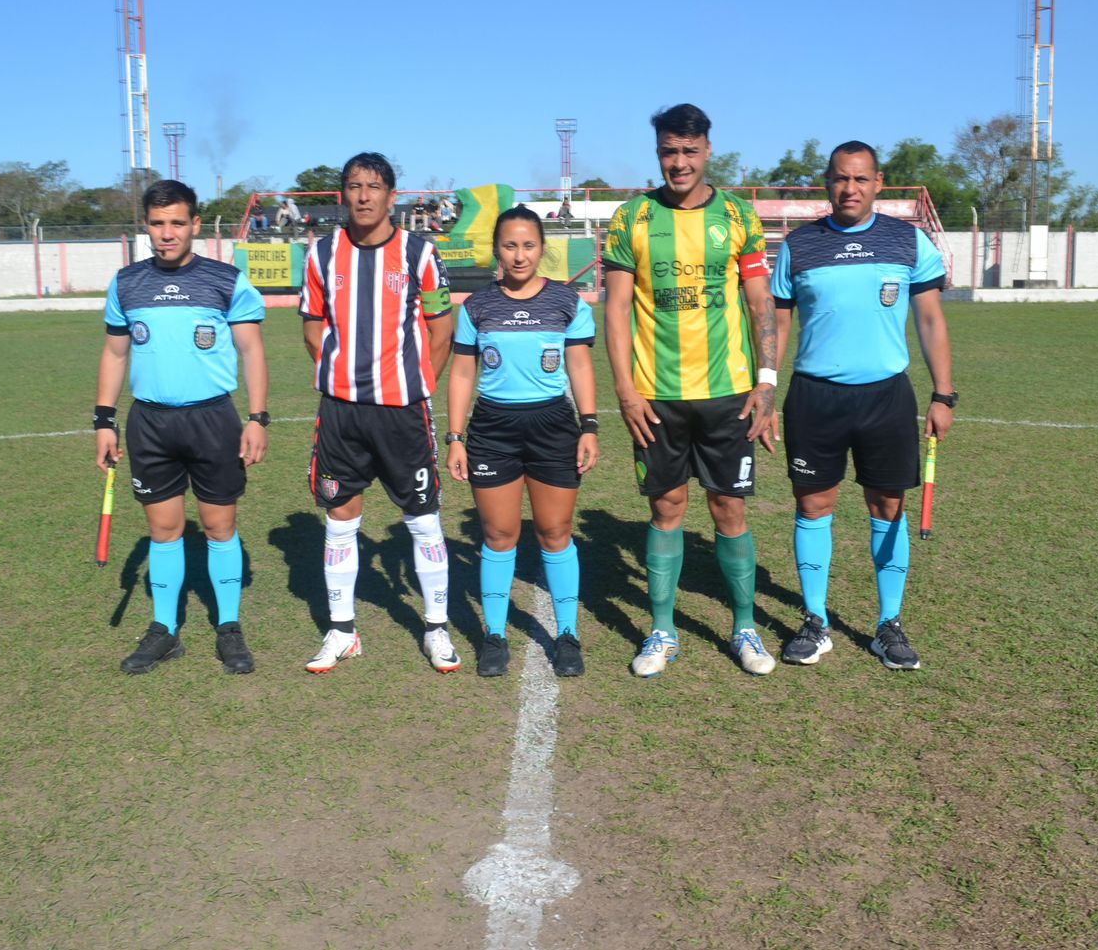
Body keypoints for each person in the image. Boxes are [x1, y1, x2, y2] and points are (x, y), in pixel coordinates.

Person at [604, 104, 780, 677]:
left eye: (688, 151)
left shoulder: (738, 215)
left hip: (729, 392)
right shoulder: (631, 217)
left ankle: (745, 627)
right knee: (667, 507)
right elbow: (616, 310)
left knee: (729, 507)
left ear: (708, 151)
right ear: (659, 154)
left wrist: (768, 381)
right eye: (668, 152)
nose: (678, 163)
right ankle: (661, 630)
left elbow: (761, 305)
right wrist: (626, 392)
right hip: (656, 396)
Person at [768, 140, 956, 672]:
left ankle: (889, 624)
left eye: (860, 179)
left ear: (878, 183)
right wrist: (764, 390)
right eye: (840, 179)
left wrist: (944, 394)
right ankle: (814, 621)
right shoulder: (799, 246)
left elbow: (931, 320)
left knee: (887, 509)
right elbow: (778, 324)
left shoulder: (908, 241)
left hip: (886, 397)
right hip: (814, 397)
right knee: (813, 507)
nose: (849, 189)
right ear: (827, 183)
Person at [94, 179, 270, 676]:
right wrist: (103, 421)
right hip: (149, 423)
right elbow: (114, 353)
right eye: (157, 223)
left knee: (219, 526)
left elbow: (252, 350)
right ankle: (164, 631)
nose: (166, 233)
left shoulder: (225, 280)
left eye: (176, 222)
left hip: (213, 419)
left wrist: (257, 418)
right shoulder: (126, 283)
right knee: (164, 530)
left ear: (195, 224)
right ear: (145, 226)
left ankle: (229, 628)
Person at [300, 152, 460, 674]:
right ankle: (343, 630)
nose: (363, 195)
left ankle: (436, 628)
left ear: (393, 196)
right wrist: (342, 372)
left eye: (373, 186)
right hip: (342, 413)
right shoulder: (322, 254)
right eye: (353, 186)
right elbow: (312, 326)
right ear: (342, 195)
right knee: (340, 517)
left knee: (422, 518)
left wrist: (416, 384)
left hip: (402, 413)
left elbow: (440, 329)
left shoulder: (420, 254)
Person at [446, 206, 599, 678]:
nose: (519, 255)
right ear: (497, 248)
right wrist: (455, 437)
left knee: (555, 533)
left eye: (528, 245)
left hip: (553, 425)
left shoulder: (567, 303)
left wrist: (589, 425)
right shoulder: (476, 306)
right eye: (510, 245)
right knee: (498, 535)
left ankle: (567, 634)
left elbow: (578, 366)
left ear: (542, 248)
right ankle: (494, 635)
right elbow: (464, 372)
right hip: (492, 429)